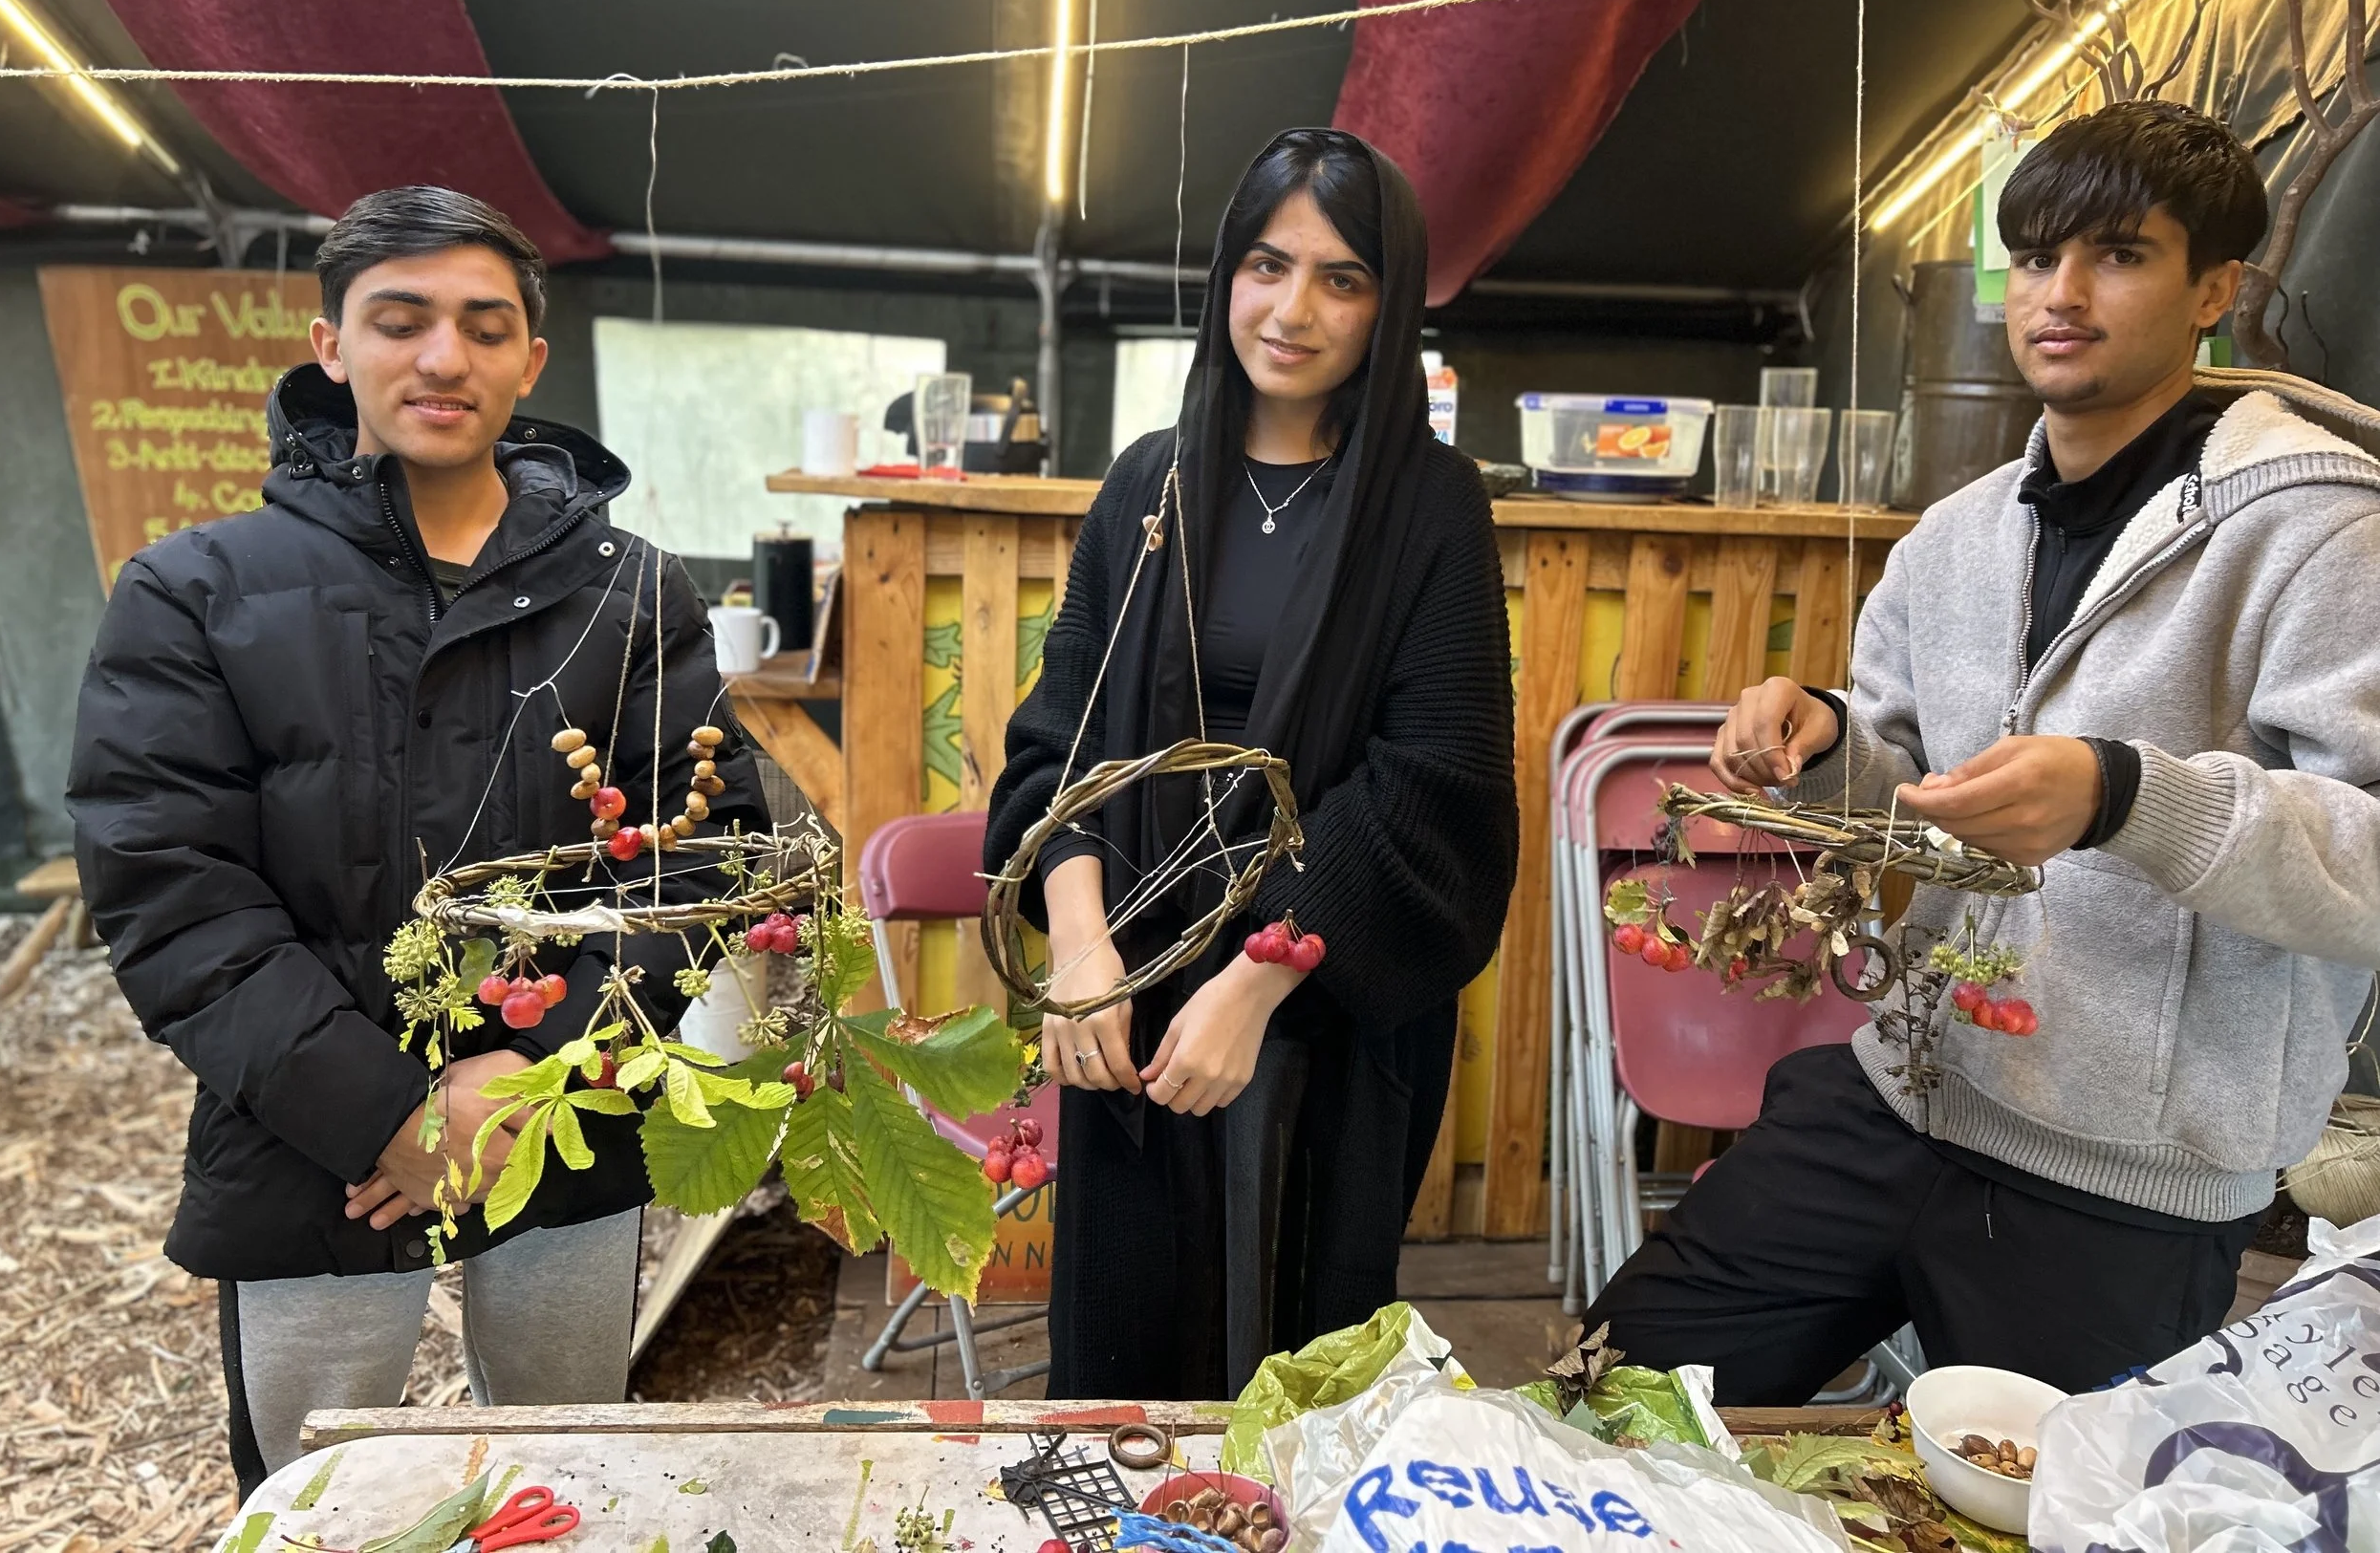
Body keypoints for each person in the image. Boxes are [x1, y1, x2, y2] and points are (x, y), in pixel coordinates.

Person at [1589, 99, 2380, 1402]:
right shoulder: (1955, 536)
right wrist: (1826, 735)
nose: (2059, 294)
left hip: (2126, 1178)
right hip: (1905, 1084)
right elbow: (1910, 781)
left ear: (2214, 290)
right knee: (1611, 1387)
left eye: (2118, 254)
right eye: (2033, 257)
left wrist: (2127, 797)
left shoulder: (2315, 531)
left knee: (2033, 1507)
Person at [68, 186, 787, 1495]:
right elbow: (173, 896)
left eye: (482, 323)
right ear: (331, 346)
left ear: (531, 358)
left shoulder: (630, 591)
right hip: (308, 1139)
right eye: (399, 321)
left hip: (562, 1122)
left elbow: (705, 853)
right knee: (319, 1493)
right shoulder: (196, 592)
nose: (443, 358)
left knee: (561, 1474)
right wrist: (384, 1110)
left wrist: (531, 1077)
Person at [986, 128, 1518, 1398]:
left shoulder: (1431, 505)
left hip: (1317, 1017)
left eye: (1342, 277)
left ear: (1388, 306)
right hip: (1130, 996)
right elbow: (1054, 745)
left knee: (1296, 1383)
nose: (1292, 310)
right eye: (1267, 265)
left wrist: (1258, 979)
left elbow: (1433, 788)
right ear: (1226, 273)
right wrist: (1076, 947)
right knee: (1124, 1367)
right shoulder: (1147, 486)